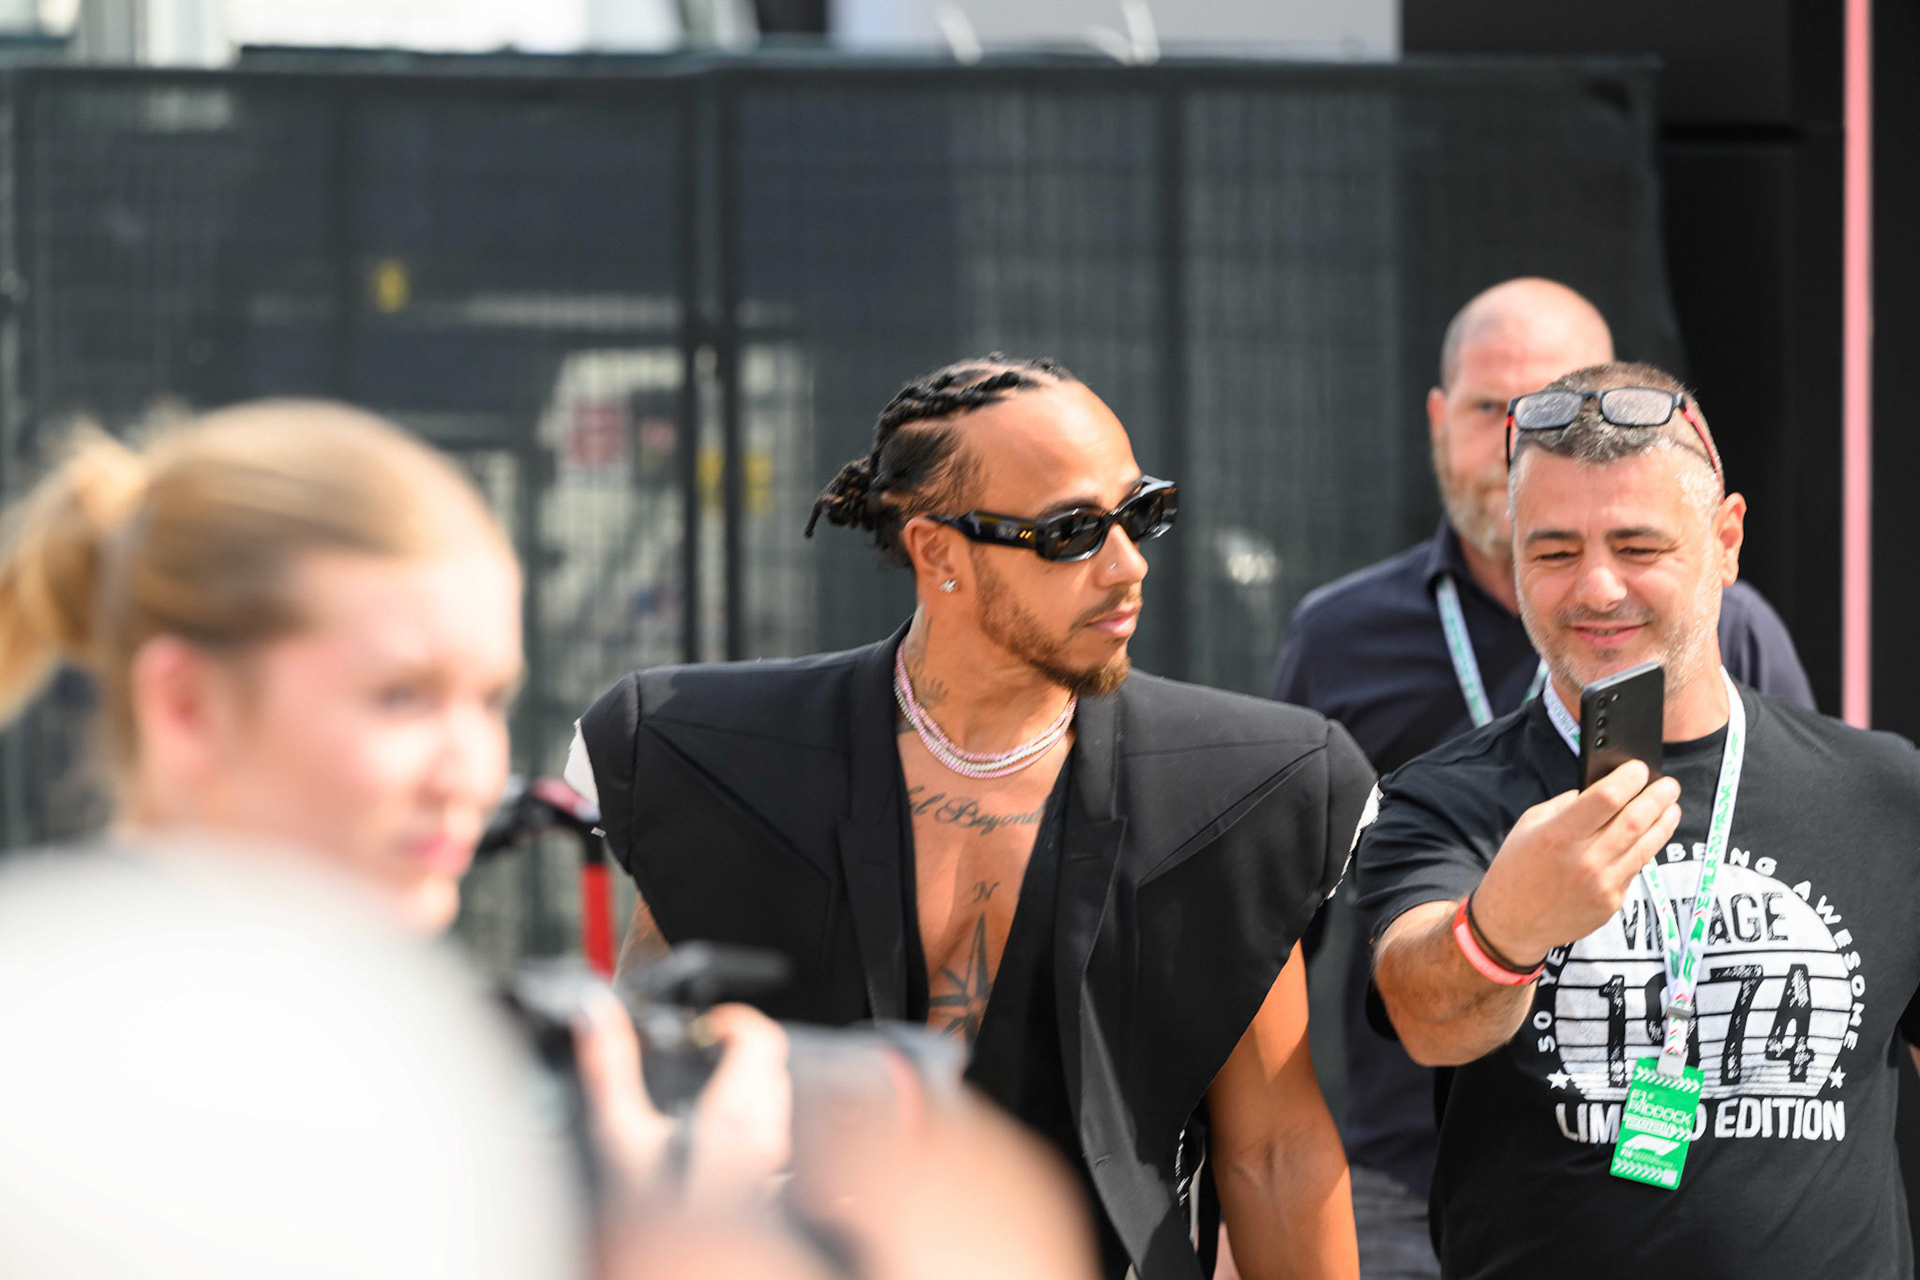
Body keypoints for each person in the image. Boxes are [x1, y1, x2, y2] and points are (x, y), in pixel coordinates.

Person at [568, 355, 1374, 1280]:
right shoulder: (719, 763)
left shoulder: (1230, 792)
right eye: (1072, 532)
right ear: (937, 552)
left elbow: (1273, 1151)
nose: (1129, 564)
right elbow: (647, 1108)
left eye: (1141, 511)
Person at [0, 403, 790, 1263]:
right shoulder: (132, 1078)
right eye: (401, 697)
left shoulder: (323, 1036)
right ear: (186, 707)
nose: (469, 772)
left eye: (488, 701)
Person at [1269, 279, 1814, 1279]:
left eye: (1563, 400)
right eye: (1492, 410)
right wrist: (1257, 1184)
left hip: (1699, 1151)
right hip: (1413, 1166)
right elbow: (1277, 941)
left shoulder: (1729, 625)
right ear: (1439, 420)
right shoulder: (1341, 636)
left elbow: (1803, 835)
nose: (1525, 434)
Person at [1356, 362, 1920, 1279]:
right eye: (1554, 552)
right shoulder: (1442, 798)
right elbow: (1425, 1017)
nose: (1599, 589)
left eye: (1639, 546)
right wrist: (1506, 929)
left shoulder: (1887, 793)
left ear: (1726, 540)